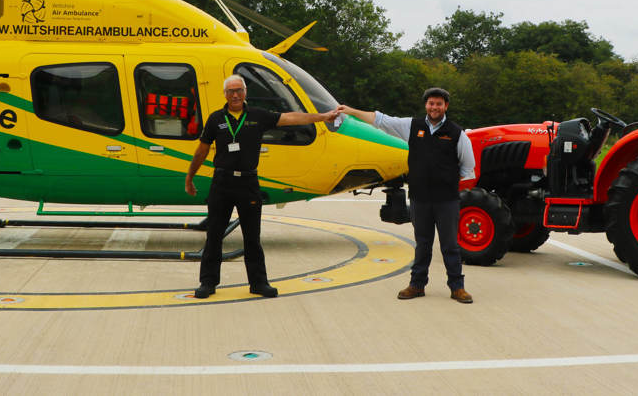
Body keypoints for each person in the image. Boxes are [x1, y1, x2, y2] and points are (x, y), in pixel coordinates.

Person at [186, 74, 338, 299]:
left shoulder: (258, 116)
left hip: (248, 183)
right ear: (225, 95)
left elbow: (292, 118)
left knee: (252, 237)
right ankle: (208, 283)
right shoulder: (215, 118)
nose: (235, 95)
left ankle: (258, 283)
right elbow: (202, 150)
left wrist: (323, 116)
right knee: (215, 235)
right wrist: (190, 178)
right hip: (222, 183)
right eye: (231, 91)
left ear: (245, 92)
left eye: (239, 90)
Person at [338, 87, 475, 304]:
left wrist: (445, 182)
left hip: (446, 201)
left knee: (450, 245)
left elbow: (469, 167)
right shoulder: (412, 126)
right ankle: (417, 285)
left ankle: (457, 287)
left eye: (439, 103)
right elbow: (381, 120)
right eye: (431, 103)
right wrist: (351, 111)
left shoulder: (457, 133)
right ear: (426, 105)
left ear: (446, 106)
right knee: (422, 243)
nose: (434, 107)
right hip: (420, 199)